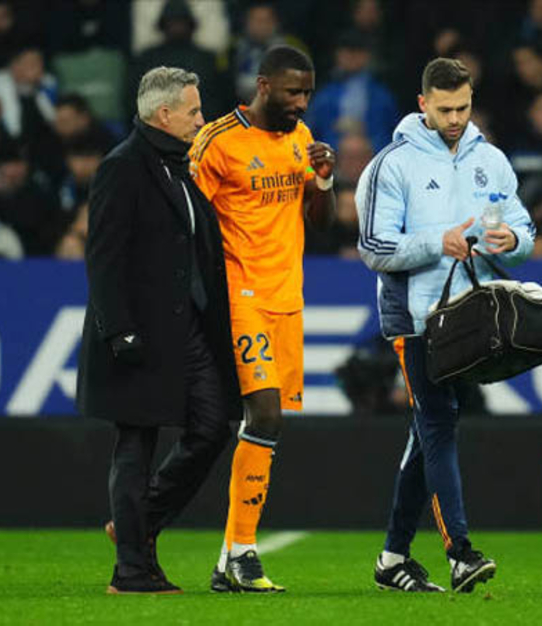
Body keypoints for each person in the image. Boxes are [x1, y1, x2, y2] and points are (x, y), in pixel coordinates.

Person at [355, 58, 535, 593]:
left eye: (463, 107)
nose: (455, 118)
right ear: (423, 105)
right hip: (416, 316)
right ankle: (460, 551)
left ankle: (392, 558)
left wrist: (514, 242)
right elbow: (374, 247)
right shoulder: (393, 165)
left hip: (474, 314)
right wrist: (440, 241)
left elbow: (521, 226)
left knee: (427, 429)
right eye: (445, 108)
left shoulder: (493, 160)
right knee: (438, 421)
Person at [76, 66, 241, 595]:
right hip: (139, 333)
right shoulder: (123, 167)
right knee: (136, 443)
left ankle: (137, 525)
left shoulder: (181, 167)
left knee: (215, 424)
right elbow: (103, 258)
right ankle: (130, 569)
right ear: (163, 114)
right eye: (194, 110)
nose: (202, 118)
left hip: (185, 330)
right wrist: (118, 330)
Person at [190, 45, 335, 593]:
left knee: (265, 425)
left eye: (307, 94)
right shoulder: (219, 141)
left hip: (286, 297)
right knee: (266, 415)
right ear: (264, 85)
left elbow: (317, 222)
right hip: (241, 292)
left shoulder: (300, 139)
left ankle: (229, 558)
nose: (301, 103)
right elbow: (188, 218)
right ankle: (245, 553)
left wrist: (322, 180)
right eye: (293, 92)